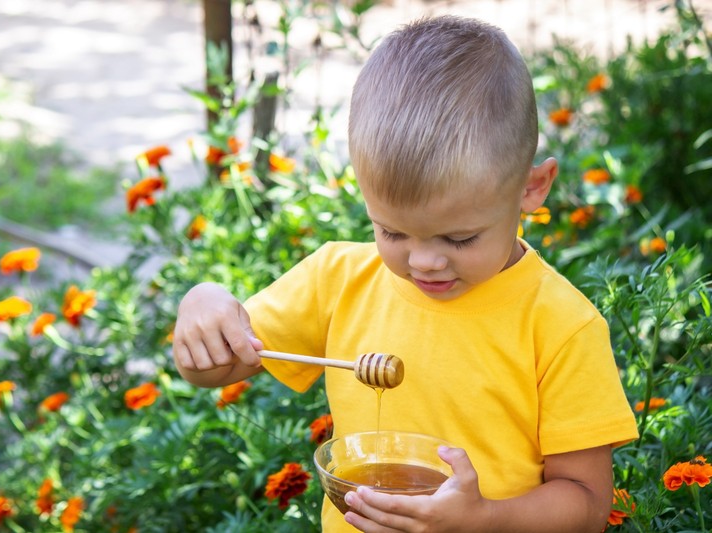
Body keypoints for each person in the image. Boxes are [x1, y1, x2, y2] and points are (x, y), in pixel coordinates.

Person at [173, 15, 638, 533]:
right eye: (392, 232)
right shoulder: (338, 278)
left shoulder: (560, 326)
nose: (423, 262)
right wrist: (204, 303)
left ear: (532, 188)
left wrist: (482, 520)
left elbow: (588, 505)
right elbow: (213, 368)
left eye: (459, 239)